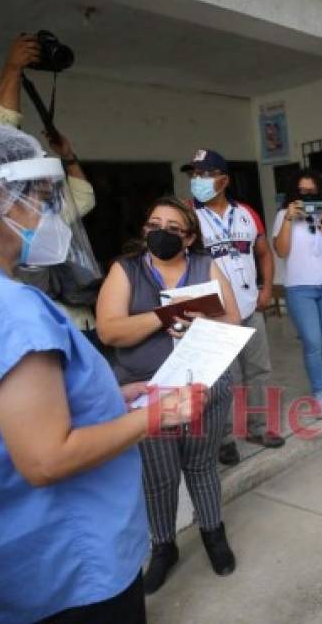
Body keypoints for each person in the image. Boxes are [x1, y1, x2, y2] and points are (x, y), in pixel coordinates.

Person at [0, 120, 198, 623]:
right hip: (70, 567)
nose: (53, 214)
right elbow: (47, 458)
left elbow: (7, 407)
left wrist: (116, 394)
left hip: (3, 555)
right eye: (43, 198)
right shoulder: (3, 309)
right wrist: (155, 414)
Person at [96, 195, 241, 594]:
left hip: (204, 385)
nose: (160, 233)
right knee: (158, 477)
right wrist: (166, 315)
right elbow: (109, 330)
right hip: (149, 392)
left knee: (201, 465)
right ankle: (164, 547)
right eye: (154, 224)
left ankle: (213, 533)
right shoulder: (126, 270)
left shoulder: (203, 265)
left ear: (190, 237)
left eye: (173, 228)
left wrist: (206, 320)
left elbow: (233, 318)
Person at [0, 34, 99, 334]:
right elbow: (1, 133)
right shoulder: (5, 217)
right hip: (33, 327)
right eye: (39, 177)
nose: (47, 184)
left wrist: (68, 156)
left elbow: (84, 197)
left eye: (49, 178)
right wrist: (12, 70)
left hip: (79, 324)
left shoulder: (52, 216)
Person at [185, 148, 284, 458]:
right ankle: (224, 438)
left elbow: (264, 253)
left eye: (204, 174)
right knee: (220, 377)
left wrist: (266, 288)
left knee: (258, 371)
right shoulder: (188, 216)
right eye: (194, 175)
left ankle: (259, 427)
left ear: (223, 180)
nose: (197, 180)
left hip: (249, 306)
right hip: (212, 312)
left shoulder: (247, 213)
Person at [272, 171, 322, 409]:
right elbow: (281, 252)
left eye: (311, 191)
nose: (306, 196)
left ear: (321, 193)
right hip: (299, 288)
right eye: (301, 191)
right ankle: (318, 392)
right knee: (313, 341)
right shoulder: (284, 216)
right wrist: (287, 221)